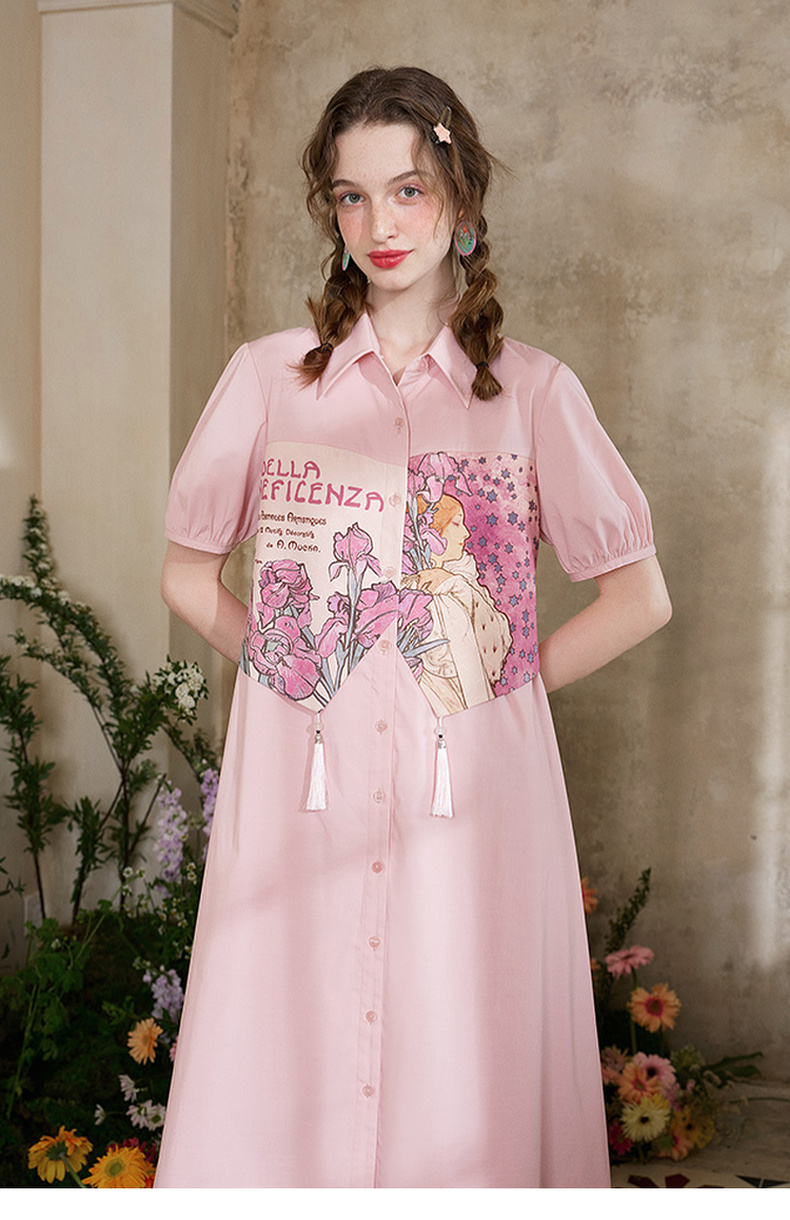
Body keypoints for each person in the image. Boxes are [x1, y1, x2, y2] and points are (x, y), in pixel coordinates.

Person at [155, 66, 671, 1188]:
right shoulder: (266, 381)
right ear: (331, 213)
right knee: (288, 1024)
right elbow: (187, 574)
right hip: (304, 772)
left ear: (461, 199)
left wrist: (494, 677)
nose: (379, 224)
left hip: (472, 776)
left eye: (408, 190)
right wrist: (295, 664)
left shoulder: (531, 394)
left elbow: (640, 596)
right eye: (351, 196)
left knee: (462, 1026)